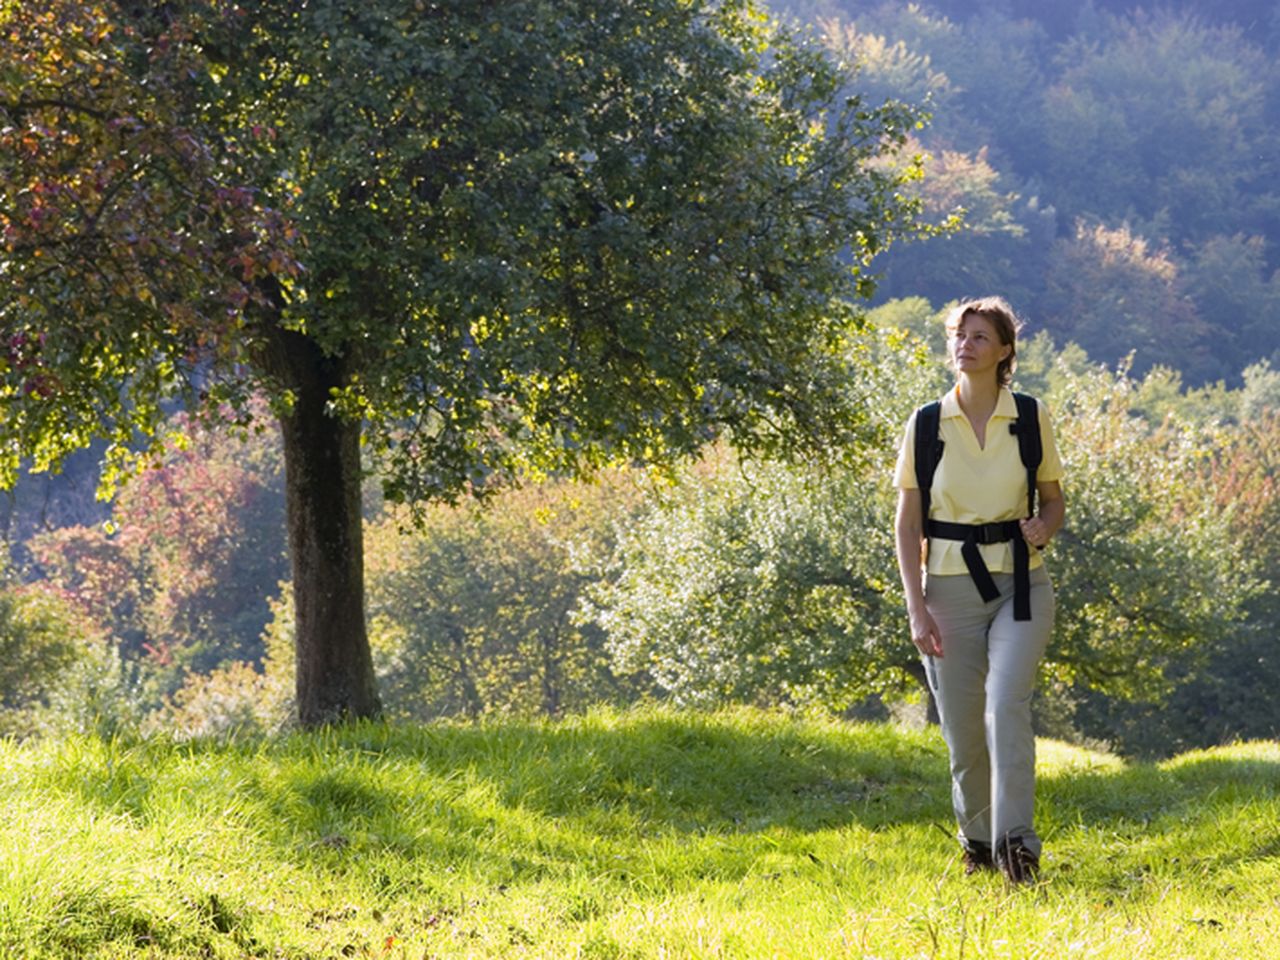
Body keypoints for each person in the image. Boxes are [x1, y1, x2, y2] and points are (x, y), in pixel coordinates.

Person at [893, 296, 1065, 884]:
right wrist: (917, 607)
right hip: (946, 589)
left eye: (979, 337)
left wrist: (1046, 525)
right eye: (959, 335)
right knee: (964, 729)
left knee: (1004, 708)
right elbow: (907, 524)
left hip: (1022, 584)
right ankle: (978, 844)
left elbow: (1053, 499)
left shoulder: (1029, 416)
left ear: (1005, 352)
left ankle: (1018, 849)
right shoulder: (924, 424)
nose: (965, 345)